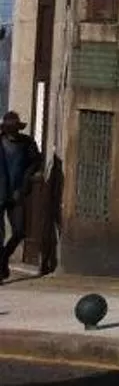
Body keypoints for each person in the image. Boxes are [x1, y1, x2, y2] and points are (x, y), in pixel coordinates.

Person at [0, 113, 37, 280]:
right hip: (0, 193)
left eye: (15, 129)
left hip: (17, 193)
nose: (13, 133)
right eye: (10, 130)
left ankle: (3, 259)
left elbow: (35, 161)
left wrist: (26, 180)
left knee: (20, 231)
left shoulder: (27, 143)